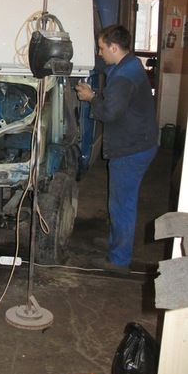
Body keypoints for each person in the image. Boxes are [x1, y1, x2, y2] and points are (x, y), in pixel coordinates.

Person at [75, 24, 158, 272]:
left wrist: (91, 97)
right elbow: (104, 67)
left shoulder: (123, 77)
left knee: (122, 204)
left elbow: (110, 113)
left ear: (113, 47)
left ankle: (119, 259)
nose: (99, 53)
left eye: (101, 48)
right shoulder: (128, 64)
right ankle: (116, 242)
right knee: (119, 200)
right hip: (139, 142)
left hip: (132, 148)